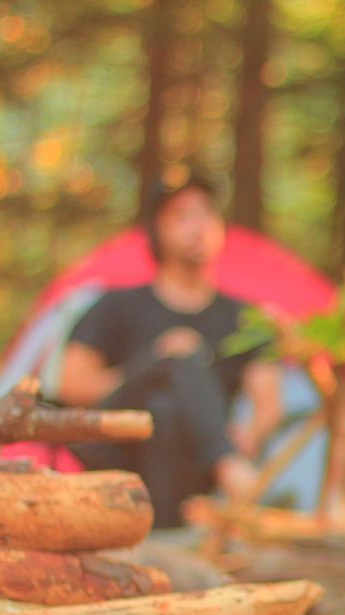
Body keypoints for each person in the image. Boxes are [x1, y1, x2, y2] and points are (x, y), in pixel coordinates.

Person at [59, 175, 281, 528]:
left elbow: (268, 404)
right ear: (156, 230)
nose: (198, 227)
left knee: (166, 409)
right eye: (182, 216)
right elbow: (71, 385)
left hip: (192, 461)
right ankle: (232, 473)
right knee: (180, 354)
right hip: (119, 451)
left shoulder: (243, 318)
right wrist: (154, 366)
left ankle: (165, 529)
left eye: (207, 214)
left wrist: (251, 433)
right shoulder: (116, 305)